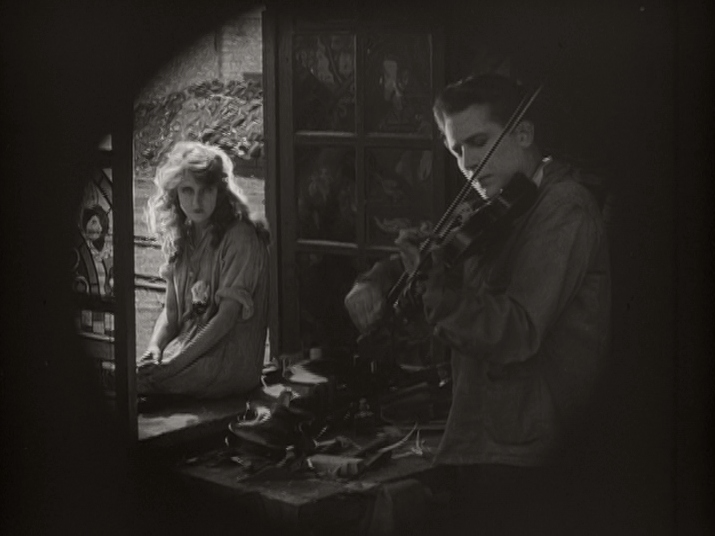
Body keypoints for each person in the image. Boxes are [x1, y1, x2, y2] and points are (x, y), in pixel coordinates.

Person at [344, 74, 611, 534]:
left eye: (479, 142)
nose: (467, 163)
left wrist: (437, 290)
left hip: (532, 453)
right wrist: (374, 281)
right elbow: (436, 256)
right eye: (456, 150)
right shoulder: (503, 204)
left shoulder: (564, 208)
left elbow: (518, 329)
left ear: (523, 133)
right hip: (488, 436)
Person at [137, 141, 270, 399]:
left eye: (206, 190)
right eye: (187, 190)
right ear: (175, 193)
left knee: (140, 385)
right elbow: (171, 313)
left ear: (219, 192)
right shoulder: (182, 237)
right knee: (136, 377)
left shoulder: (239, 237)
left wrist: (175, 365)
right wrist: (154, 347)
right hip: (188, 354)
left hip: (229, 361)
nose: (196, 201)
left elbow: (226, 319)